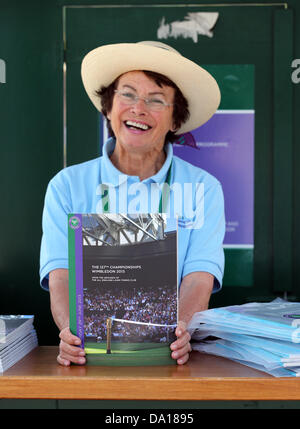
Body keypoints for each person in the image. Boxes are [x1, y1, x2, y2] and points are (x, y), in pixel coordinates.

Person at [39, 41, 225, 367]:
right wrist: (70, 331)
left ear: (175, 121)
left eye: (156, 100)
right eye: (127, 94)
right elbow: (60, 274)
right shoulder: (66, 186)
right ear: (108, 108)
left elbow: (199, 277)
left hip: (170, 359)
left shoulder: (203, 188)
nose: (139, 108)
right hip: (89, 358)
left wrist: (181, 328)